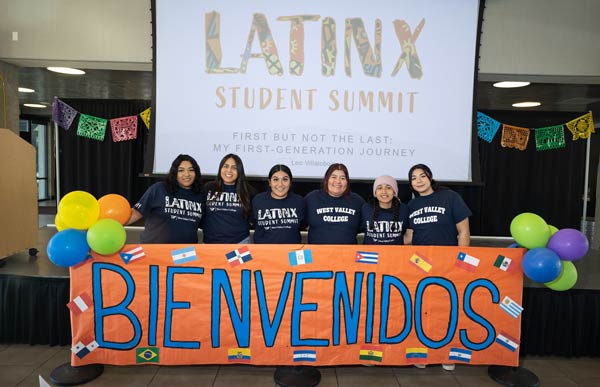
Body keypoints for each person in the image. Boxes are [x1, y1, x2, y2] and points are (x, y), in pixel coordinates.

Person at [404, 163, 472, 371]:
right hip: (420, 267)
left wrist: (461, 261)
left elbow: (463, 233)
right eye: (414, 178)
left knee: (447, 309)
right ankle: (422, 353)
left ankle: (447, 354)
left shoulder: (450, 198)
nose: (419, 181)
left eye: (422, 176)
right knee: (421, 309)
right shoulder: (410, 207)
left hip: (447, 265)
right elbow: (408, 238)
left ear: (430, 177)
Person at [128, 154, 205, 243]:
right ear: (174, 173)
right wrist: (112, 224)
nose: (187, 174)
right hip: (154, 249)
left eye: (191, 170)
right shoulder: (159, 189)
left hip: (185, 252)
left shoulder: (201, 195)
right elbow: (136, 213)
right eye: (181, 170)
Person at [305, 163, 365, 244]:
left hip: (348, 254)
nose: (338, 181)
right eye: (333, 177)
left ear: (347, 181)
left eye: (342, 178)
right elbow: (301, 223)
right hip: (316, 254)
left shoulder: (357, 201)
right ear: (326, 179)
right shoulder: (312, 198)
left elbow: (363, 226)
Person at [201, 153, 254, 244]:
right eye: (225, 166)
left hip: (240, 244)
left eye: (234, 167)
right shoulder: (208, 188)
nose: (229, 170)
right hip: (210, 244)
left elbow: (252, 220)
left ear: (239, 171)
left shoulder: (248, 191)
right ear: (220, 168)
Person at [252, 164, 306, 244]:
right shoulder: (258, 200)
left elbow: (304, 225)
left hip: (293, 252)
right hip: (264, 251)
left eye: (285, 179)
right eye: (275, 179)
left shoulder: (299, 201)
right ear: (269, 182)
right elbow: (252, 222)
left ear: (290, 182)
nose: (280, 184)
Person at [361, 175, 409, 244]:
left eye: (389, 188)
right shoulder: (365, 208)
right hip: (370, 253)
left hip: (395, 253)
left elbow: (410, 234)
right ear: (375, 192)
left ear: (394, 192)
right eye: (379, 188)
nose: (384, 191)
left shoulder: (404, 209)